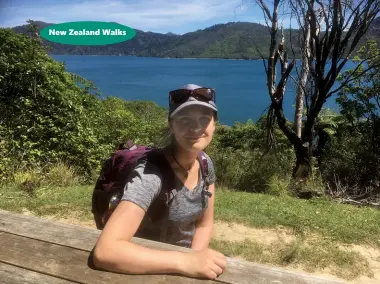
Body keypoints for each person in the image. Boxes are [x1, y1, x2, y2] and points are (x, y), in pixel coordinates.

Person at [92, 84, 227, 280]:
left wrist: (195, 260)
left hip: (183, 269)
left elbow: (204, 224)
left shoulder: (205, 164)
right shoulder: (151, 174)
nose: (196, 127)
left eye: (204, 119)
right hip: (145, 269)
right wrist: (185, 262)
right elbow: (106, 252)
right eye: (185, 120)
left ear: (214, 124)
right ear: (171, 124)